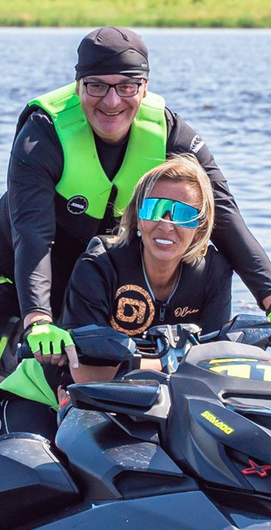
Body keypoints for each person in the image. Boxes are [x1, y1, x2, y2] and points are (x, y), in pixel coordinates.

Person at [0, 27, 271, 530]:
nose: (112, 101)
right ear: (79, 86)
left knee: (147, 382)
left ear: (145, 86)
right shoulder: (43, 133)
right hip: (17, 270)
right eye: (97, 86)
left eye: (127, 86)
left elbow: (223, 217)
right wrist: (38, 318)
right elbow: (32, 237)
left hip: (107, 269)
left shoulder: (173, 134)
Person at [61, 157, 239, 383]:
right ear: (137, 215)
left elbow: (214, 366)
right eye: (155, 209)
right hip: (81, 395)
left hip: (173, 396)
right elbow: (87, 373)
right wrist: (174, 361)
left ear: (200, 226)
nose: (166, 225)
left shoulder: (214, 271)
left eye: (183, 214)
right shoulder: (99, 265)